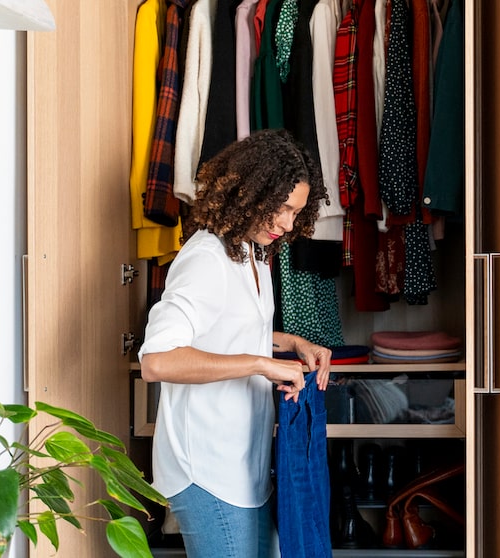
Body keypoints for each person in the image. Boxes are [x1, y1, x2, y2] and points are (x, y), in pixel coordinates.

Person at [139, 128, 332, 557]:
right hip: (206, 468)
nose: (287, 223)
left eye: (296, 212)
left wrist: (292, 342)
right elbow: (157, 360)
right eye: (281, 208)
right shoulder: (205, 258)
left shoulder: (250, 252)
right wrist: (262, 364)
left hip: (244, 463)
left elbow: (231, 326)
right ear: (250, 192)